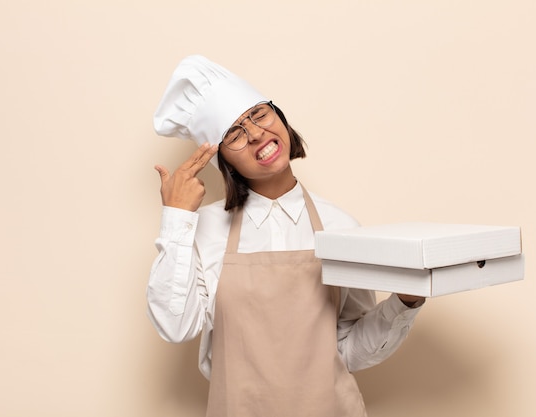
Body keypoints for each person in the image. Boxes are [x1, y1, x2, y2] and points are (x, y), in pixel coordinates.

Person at [147, 55, 425, 417]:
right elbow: (175, 326)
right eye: (234, 133)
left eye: (259, 115)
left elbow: (347, 351)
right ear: (223, 161)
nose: (256, 134)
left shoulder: (340, 225)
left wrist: (405, 302)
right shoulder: (202, 230)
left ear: (278, 116)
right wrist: (177, 218)